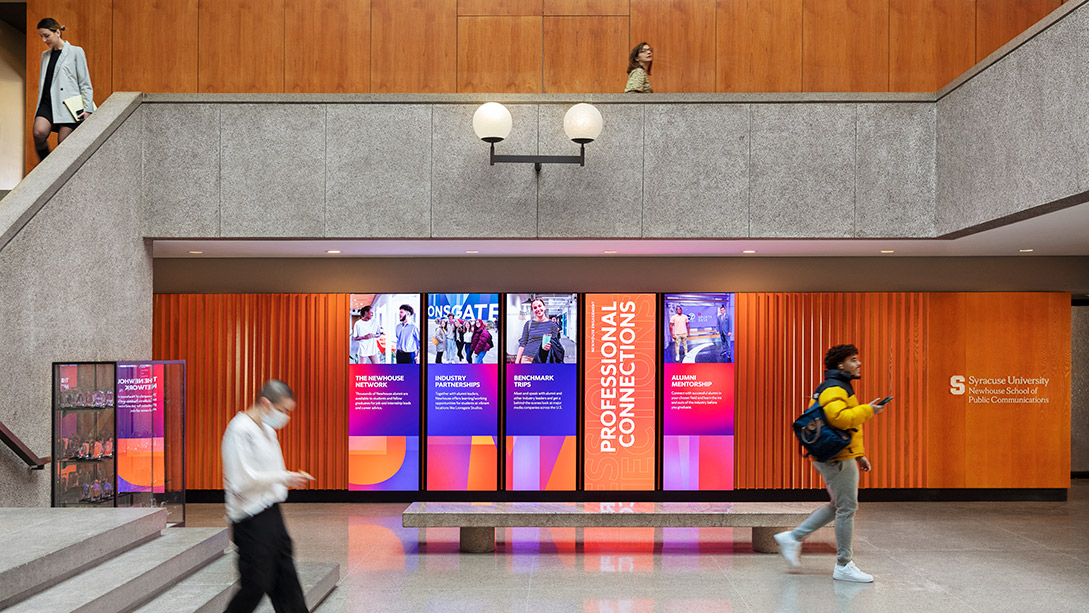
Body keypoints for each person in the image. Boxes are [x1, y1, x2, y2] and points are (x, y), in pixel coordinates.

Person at [774, 345, 890, 583]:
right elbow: (840, 418)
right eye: (853, 360)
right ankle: (844, 565)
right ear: (840, 365)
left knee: (838, 505)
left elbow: (843, 424)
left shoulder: (837, 386)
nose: (858, 364)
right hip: (837, 458)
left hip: (840, 455)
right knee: (847, 509)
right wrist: (869, 410)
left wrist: (858, 455)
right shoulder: (835, 388)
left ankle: (793, 537)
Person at [221, 380, 310, 612]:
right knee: (255, 583)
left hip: (271, 514)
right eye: (282, 410)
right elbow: (241, 481)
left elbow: (272, 472)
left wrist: (285, 479)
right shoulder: (239, 430)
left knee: (287, 580)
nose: (284, 417)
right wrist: (282, 477)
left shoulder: (268, 431)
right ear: (265, 403)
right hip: (249, 519)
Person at [33, 18, 94, 162]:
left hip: (69, 105)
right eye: (41, 36)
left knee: (63, 145)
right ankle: (45, 165)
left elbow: (85, 82)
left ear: (58, 32)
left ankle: (59, 176)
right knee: (38, 132)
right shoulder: (45, 56)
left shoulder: (75, 52)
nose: (43, 39)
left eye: (46, 35)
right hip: (48, 102)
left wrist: (88, 109)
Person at [515, 298, 561, 363]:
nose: (538, 309)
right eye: (535, 308)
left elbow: (555, 345)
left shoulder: (553, 325)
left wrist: (549, 346)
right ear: (533, 310)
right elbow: (523, 343)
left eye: (540, 306)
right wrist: (516, 362)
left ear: (544, 307)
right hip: (527, 358)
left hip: (544, 359)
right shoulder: (528, 324)